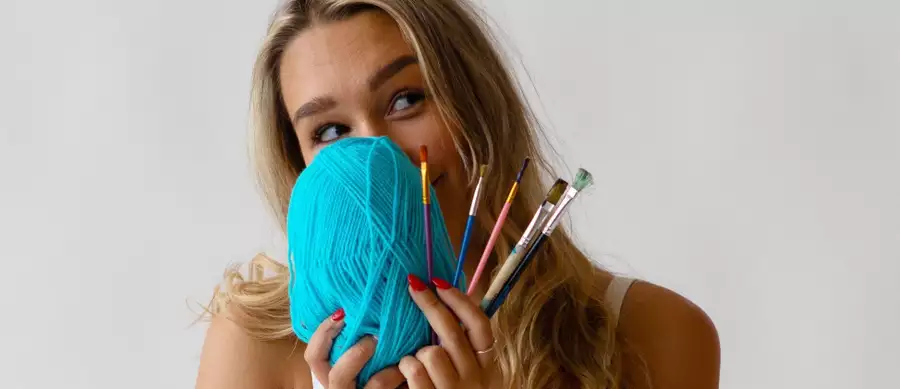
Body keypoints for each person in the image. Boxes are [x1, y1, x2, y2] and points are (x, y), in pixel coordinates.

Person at [195, 1, 720, 388]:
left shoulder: (653, 334)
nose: (379, 153)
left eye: (405, 100)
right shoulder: (255, 343)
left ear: (476, 105)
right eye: (331, 132)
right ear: (298, 167)